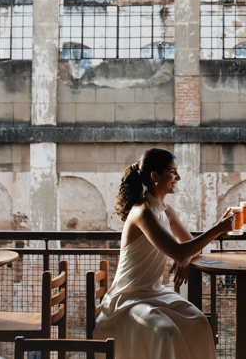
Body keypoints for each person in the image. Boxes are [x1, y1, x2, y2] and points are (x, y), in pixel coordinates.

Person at [94, 148, 234, 359]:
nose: (178, 177)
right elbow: (179, 251)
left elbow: (189, 247)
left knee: (199, 322)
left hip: (154, 293)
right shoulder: (142, 212)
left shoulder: (166, 210)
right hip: (129, 297)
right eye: (172, 172)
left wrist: (186, 258)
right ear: (155, 176)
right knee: (166, 331)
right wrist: (217, 229)